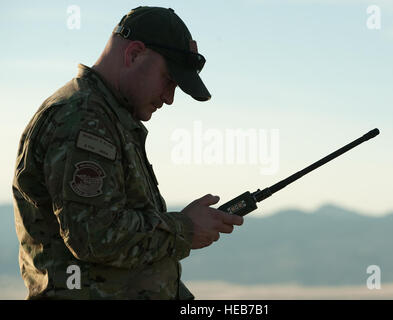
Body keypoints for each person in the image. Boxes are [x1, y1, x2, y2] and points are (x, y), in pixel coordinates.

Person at [12, 6, 244, 300]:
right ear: (134, 54)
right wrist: (184, 228)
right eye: (168, 79)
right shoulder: (83, 117)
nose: (169, 98)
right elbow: (95, 237)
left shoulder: (109, 117)